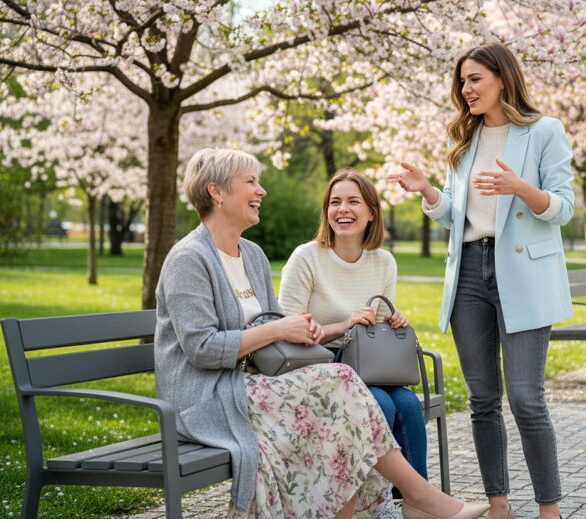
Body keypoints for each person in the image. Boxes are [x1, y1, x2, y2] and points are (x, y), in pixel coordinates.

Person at [154, 148, 488, 519]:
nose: (261, 191)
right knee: (340, 389)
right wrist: (282, 327)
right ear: (217, 192)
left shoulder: (251, 255)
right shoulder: (189, 259)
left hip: (254, 384)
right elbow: (201, 349)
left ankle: (417, 499)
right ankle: (421, 499)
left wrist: (302, 330)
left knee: (343, 414)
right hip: (208, 398)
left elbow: (272, 335)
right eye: (251, 182)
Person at [388, 42, 574, 519]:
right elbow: (456, 218)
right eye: (463, 82)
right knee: (482, 400)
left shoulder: (544, 131)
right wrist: (429, 190)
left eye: (475, 79)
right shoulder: (464, 142)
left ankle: (549, 509)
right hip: (470, 271)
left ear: (503, 79)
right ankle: (498, 505)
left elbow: (563, 209)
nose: (466, 89)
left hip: (524, 274)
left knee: (527, 399)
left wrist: (522, 189)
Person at [279, 169, 428, 518]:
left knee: (407, 404)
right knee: (381, 405)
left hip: (366, 364)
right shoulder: (307, 257)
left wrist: (392, 321)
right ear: (326, 211)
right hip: (318, 364)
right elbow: (286, 329)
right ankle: (377, 505)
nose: (342, 210)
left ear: (371, 212)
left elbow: (374, 328)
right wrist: (342, 325)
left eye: (352, 202)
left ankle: (416, 503)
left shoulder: (383, 261)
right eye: (335, 202)